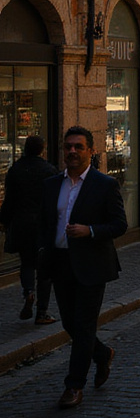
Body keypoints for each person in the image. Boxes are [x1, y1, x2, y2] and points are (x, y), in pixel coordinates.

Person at [40, 126, 127, 408]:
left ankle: (74, 385)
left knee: (84, 324)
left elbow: (119, 225)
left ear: (91, 150)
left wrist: (89, 230)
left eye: (78, 147)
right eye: (68, 147)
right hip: (61, 263)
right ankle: (102, 354)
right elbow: (46, 223)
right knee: (70, 323)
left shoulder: (104, 185)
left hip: (92, 265)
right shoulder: (52, 184)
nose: (72, 151)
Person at [0, 134, 59, 325]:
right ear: (42, 149)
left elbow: (9, 200)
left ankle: (29, 292)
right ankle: (42, 312)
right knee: (44, 269)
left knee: (26, 262)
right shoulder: (49, 170)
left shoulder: (16, 170)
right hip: (43, 225)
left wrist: (4, 220)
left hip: (22, 223)